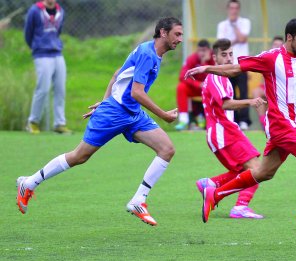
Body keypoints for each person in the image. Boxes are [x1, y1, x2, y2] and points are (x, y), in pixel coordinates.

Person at [185, 18, 296, 242]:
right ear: (289, 37)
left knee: (264, 172)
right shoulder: (271, 58)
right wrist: (207, 67)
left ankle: (215, 194)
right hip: (281, 125)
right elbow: (236, 68)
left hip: (290, 125)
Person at [16, 17, 183, 227]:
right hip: (116, 113)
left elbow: (117, 75)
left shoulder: (152, 52)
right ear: (163, 33)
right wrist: (163, 115)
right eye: (177, 34)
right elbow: (137, 92)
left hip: (131, 114)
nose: (181, 39)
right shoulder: (148, 54)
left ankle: (138, 200)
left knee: (167, 149)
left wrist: (105, 102)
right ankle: (29, 183)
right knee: (79, 156)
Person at [196, 38, 266, 219]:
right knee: (256, 169)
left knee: (242, 171)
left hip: (222, 132)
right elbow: (226, 104)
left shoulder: (223, 77)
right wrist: (250, 101)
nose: (228, 58)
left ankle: (210, 183)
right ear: (215, 58)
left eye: (230, 54)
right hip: (224, 132)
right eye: (224, 55)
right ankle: (240, 207)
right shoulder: (217, 77)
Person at [24, 0, 71, 134]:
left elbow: (58, 31)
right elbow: (28, 33)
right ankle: (32, 122)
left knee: (60, 89)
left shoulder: (61, 11)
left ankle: (59, 124)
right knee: (43, 89)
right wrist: (36, 46)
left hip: (57, 53)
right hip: (41, 54)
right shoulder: (34, 10)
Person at [217, 0, 251, 130]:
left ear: (239, 9)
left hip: (242, 64)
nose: (234, 11)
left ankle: (244, 121)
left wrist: (234, 25)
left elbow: (242, 38)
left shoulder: (245, 22)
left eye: (236, 8)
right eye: (231, 8)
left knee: (243, 93)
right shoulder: (222, 25)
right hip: (227, 64)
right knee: (229, 93)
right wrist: (234, 40)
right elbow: (222, 45)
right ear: (228, 9)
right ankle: (232, 120)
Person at [175, 39, 214, 130]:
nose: (201, 53)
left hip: (210, 89)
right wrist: (198, 84)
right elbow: (182, 76)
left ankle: (210, 119)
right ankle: (184, 120)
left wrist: (205, 63)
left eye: (204, 50)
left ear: (209, 50)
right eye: (199, 50)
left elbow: (216, 77)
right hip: (196, 89)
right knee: (181, 87)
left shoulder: (214, 59)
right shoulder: (192, 58)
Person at [253, 36, 284, 128]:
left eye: (279, 45)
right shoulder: (267, 57)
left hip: (280, 90)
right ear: (271, 46)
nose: (277, 47)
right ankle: (264, 122)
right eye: (275, 44)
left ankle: (278, 124)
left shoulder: (285, 59)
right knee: (256, 92)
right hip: (268, 89)